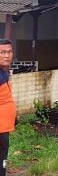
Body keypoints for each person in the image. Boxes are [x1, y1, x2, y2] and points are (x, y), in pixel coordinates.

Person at [0, 39, 16, 176]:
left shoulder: (4, 72)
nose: (7, 55)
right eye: (2, 52)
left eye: (9, 52)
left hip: (4, 127)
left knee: (3, 160)